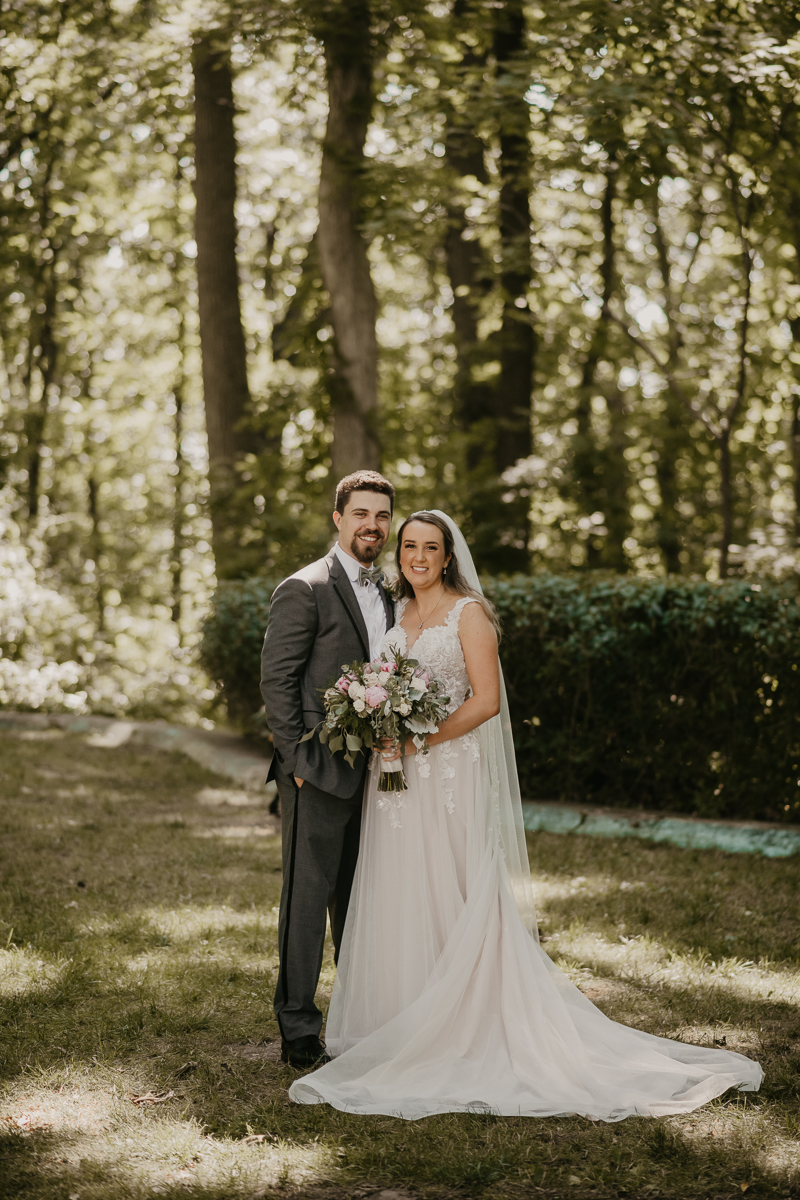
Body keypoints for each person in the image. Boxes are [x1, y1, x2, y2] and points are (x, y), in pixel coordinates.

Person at [289, 510, 763, 1120]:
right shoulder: (393, 614)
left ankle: (465, 1024)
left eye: (430, 547)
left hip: (448, 772)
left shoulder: (471, 614)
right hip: (393, 784)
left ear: (449, 555)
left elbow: (486, 700)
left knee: (456, 888)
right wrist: (379, 725)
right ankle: (398, 1025)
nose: (418, 557)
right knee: (400, 890)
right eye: (409, 546)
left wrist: (416, 739)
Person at [261, 471, 395, 1068]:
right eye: (361, 513)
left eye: (382, 516)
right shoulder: (306, 587)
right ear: (337, 517)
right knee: (307, 900)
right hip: (316, 770)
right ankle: (297, 1026)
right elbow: (278, 681)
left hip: (382, 773)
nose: (373, 525)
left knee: (363, 899)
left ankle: (358, 1015)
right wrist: (296, 762)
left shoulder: (393, 590)